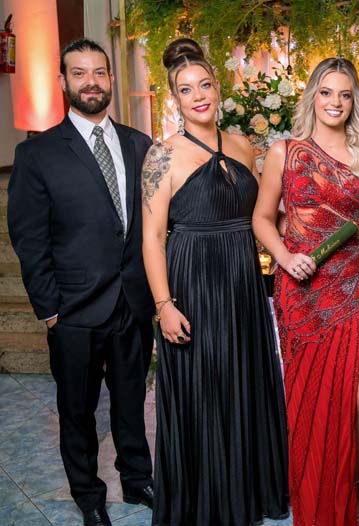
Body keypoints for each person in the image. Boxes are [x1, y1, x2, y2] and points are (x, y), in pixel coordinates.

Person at [141, 38, 289, 525]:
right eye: (186, 89)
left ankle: (247, 493)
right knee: (203, 390)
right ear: (175, 99)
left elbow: (266, 215)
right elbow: (152, 238)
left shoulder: (244, 145)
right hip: (193, 281)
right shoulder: (162, 156)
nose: (198, 95)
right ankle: (206, 503)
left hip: (242, 280)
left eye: (204, 84)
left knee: (244, 379)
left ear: (218, 87)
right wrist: (164, 305)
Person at [7, 39, 154, 526]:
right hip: (72, 310)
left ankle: (137, 479)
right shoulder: (37, 153)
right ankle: (89, 496)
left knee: (131, 401)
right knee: (77, 410)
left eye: (99, 72)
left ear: (111, 79)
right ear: (63, 82)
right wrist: (50, 309)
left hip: (133, 302)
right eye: (79, 72)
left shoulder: (139, 144)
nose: (91, 81)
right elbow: (29, 238)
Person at [252, 57, 359, 526]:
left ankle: (351, 490)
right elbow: (261, 218)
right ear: (312, 96)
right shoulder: (285, 152)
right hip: (303, 293)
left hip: (356, 288)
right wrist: (283, 255)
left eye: (345, 94)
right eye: (326, 92)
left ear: (354, 101)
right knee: (312, 405)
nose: (335, 102)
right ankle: (317, 494)